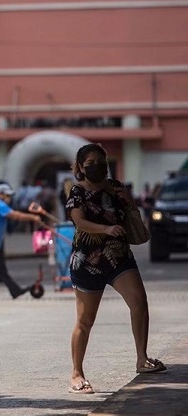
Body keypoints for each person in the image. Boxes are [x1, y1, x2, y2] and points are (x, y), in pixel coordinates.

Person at [65, 143, 165, 394]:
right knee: (86, 320)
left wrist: (130, 203)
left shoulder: (117, 188)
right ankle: (76, 373)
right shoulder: (77, 192)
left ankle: (142, 359)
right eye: (90, 164)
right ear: (80, 168)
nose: (97, 167)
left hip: (119, 256)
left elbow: (130, 214)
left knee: (139, 302)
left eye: (101, 162)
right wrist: (106, 229)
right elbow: (80, 222)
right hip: (89, 260)